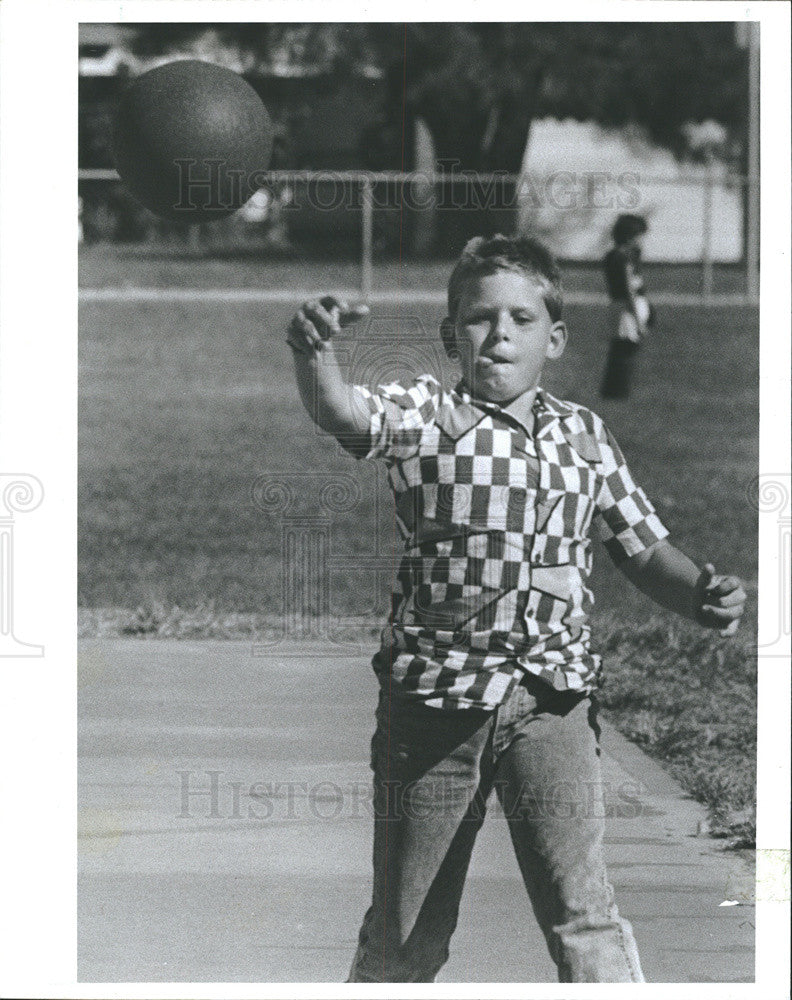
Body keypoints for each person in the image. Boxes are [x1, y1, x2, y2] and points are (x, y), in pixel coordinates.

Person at [285, 234, 745, 983]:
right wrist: (316, 356)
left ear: (554, 337)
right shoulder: (425, 417)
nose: (499, 334)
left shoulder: (585, 437)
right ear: (449, 334)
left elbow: (641, 547)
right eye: (479, 318)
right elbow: (345, 417)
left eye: (522, 319)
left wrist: (699, 592)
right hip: (436, 705)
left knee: (584, 918)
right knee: (407, 937)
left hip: (552, 704)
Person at [601, 213, 653, 399]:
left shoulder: (614, 256)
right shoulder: (624, 259)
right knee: (625, 349)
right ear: (631, 236)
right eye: (639, 236)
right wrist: (639, 321)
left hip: (618, 305)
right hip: (626, 309)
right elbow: (629, 289)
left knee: (621, 348)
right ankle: (617, 391)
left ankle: (613, 390)